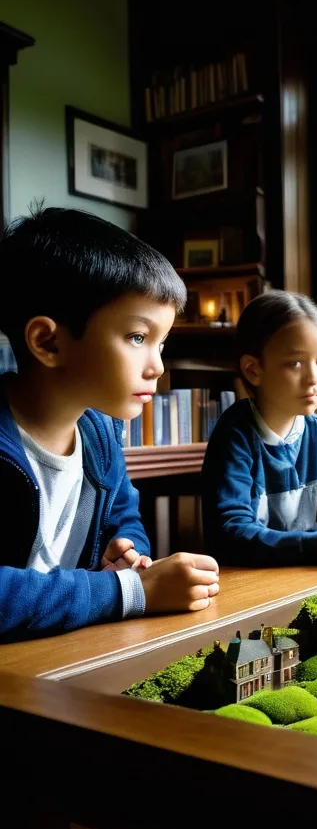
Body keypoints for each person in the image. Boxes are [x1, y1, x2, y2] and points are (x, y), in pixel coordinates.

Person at [0, 206, 220, 640]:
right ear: (48, 342)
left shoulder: (99, 433)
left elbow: (123, 516)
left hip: (65, 656)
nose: (157, 366)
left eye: (161, 342)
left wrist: (126, 552)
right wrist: (128, 591)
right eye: (138, 338)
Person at [202, 290, 317, 566]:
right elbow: (232, 533)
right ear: (253, 370)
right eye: (295, 363)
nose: (314, 377)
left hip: (309, 577)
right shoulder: (235, 432)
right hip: (248, 586)